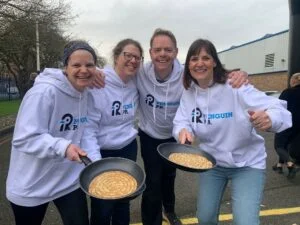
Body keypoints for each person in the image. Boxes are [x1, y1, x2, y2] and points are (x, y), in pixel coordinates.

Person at [93, 28, 248, 225]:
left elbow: (209, 75)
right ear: (150, 53)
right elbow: (117, 72)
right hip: (149, 135)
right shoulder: (141, 73)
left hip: (175, 135)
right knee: (154, 181)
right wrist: (95, 72)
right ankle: (152, 220)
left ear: (175, 52)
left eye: (167, 50)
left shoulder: (186, 75)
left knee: (170, 177)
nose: (162, 54)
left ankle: (170, 211)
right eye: (157, 50)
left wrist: (237, 74)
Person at [172, 38, 292, 225]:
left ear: (214, 63)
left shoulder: (236, 86)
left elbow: (278, 108)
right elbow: (181, 120)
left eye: (205, 58)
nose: (200, 63)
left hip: (247, 164)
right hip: (211, 164)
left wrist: (271, 118)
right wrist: (182, 131)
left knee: (246, 222)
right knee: (205, 218)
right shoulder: (189, 93)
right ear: (188, 65)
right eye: (194, 59)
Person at [6, 40, 98, 225]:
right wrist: (63, 147)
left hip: (68, 181)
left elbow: (86, 131)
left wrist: (96, 164)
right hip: (32, 184)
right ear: (65, 67)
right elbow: (25, 138)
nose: (84, 70)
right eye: (76, 65)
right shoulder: (43, 93)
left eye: (89, 65)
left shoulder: (85, 93)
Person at [81, 38, 143, 225]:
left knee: (123, 202)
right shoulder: (98, 83)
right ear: (116, 57)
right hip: (102, 152)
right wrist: (95, 164)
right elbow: (88, 129)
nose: (133, 60)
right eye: (128, 55)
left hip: (127, 149)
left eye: (137, 58)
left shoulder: (135, 82)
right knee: (102, 205)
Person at [273, 72, 300, 178]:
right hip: (298, 126)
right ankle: (279, 165)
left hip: (286, 122)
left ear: (293, 81)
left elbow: (278, 107)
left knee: (279, 145)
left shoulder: (287, 92)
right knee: (286, 145)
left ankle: (291, 164)